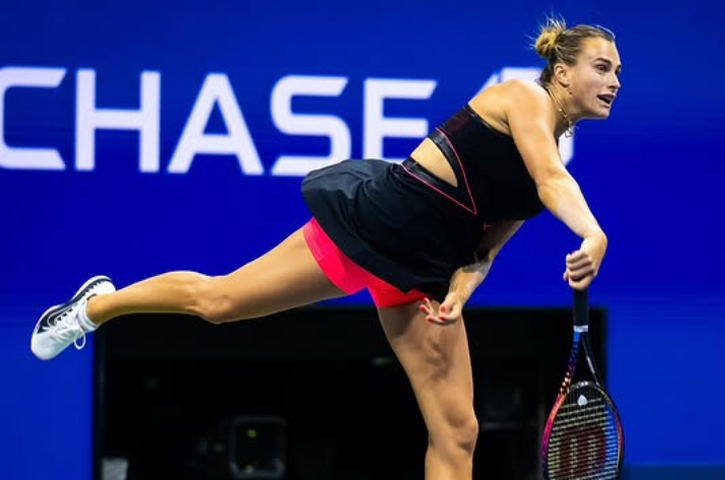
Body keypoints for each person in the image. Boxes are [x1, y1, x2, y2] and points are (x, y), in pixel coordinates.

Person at [30, 17, 620, 480]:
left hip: (423, 274)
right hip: (373, 228)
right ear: (562, 72)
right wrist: (591, 233)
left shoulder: (550, 155)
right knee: (219, 302)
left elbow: (482, 249)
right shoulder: (522, 98)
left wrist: (461, 294)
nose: (614, 80)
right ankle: (92, 307)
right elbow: (550, 180)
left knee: (458, 432)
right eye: (602, 66)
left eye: (619, 71)